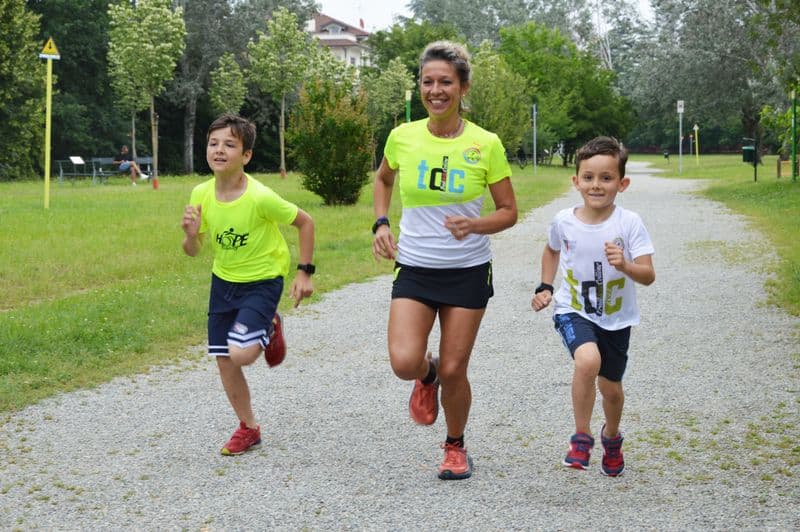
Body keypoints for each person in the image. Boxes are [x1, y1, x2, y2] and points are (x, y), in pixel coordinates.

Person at [372, 41, 518, 480]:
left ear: (463, 88)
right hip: (415, 267)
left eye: (445, 82)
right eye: (428, 81)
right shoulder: (403, 136)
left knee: (457, 370)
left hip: (467, 271)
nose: (435, 90)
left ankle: (455, 445)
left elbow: (508, 212)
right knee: (404, 362)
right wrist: (381, 223)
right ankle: (427, 374)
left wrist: (475, 225)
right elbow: (383, 180)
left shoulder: (485, 144)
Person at [181, 113, 315, 456]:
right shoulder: (200, 193)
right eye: (213, 143)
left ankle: (269, 325)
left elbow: (306, 222)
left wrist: (304, 272)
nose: (219, 150)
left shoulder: (260, 197)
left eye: (229, 144)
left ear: (246, 155)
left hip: (262, 281)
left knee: (241, 354)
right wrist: (191, 235)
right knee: (223, 358)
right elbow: (193, 251)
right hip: (223, 282)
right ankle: (248, 428)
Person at [531, 136, 655, 477]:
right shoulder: (564, 221)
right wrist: (545, 286)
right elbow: (552, 249)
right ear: (576, 181)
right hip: (573, 308)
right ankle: (581, 437)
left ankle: (611, 437)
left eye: (606, 178)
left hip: (616, 319)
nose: (596, 185)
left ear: (622, 183)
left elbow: (648, 275)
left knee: (611, 389)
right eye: (588, 177)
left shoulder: (629, 223)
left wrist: (625, 265)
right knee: (588, 361)